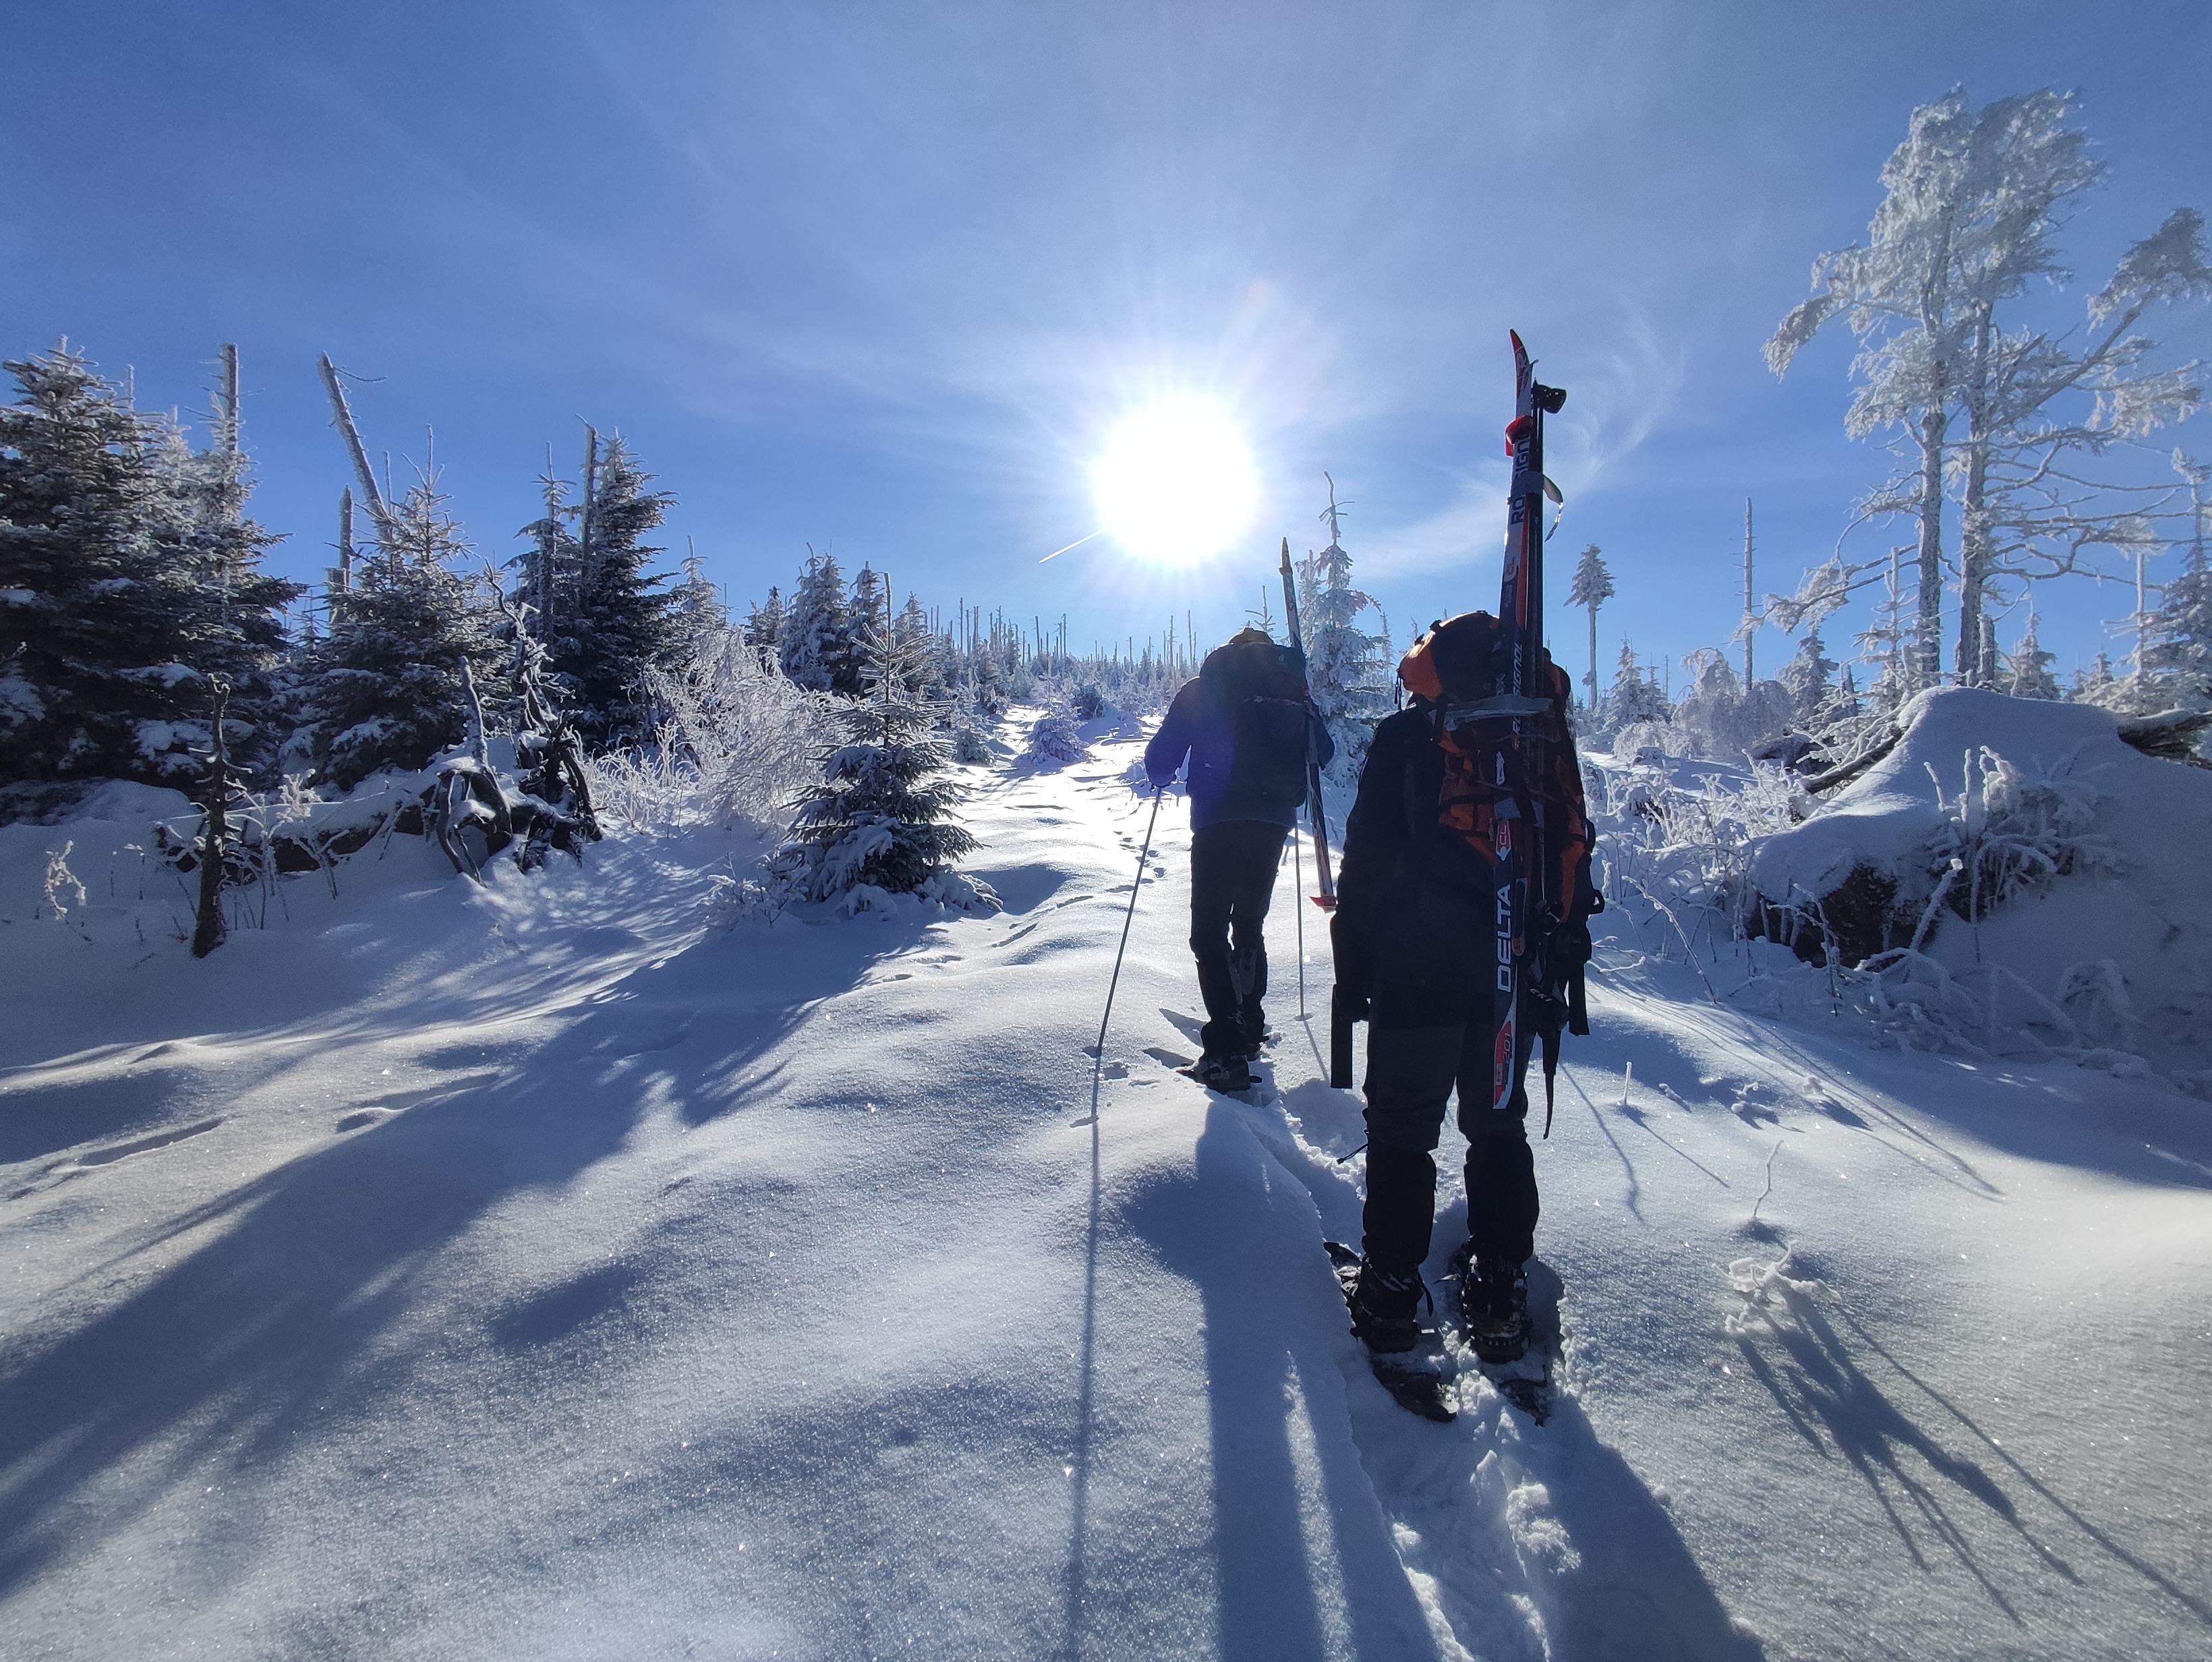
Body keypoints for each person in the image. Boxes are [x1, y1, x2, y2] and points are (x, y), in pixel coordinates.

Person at [1329, 612, 1596, 1361]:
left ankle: (1388, 1292)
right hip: (1517, 972)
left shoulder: (1408, 737)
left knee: (1402, 1131)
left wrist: (1355, 968)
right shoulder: (1539, 740)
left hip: (1419, 968)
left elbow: (1369, 862)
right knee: (1497, 1131)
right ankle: (1500, 1291)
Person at [1145, 626, 1333, 1093]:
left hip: (1218, 819)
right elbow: (1324, 753)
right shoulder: (1292, 693)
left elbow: (1160, 759)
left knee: (1208, 932)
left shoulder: (1204, 688)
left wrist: (1165, 772)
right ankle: (1249, 1026)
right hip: (1273, 823)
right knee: (1248, 923)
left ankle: (1227, 1049)